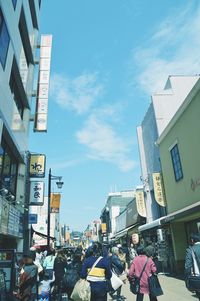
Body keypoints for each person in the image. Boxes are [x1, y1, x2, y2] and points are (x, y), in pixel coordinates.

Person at [185, 233, 200, 300]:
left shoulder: (190, 250)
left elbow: (188, 266)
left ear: (192, 240)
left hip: (198, 279)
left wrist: (187, 280)